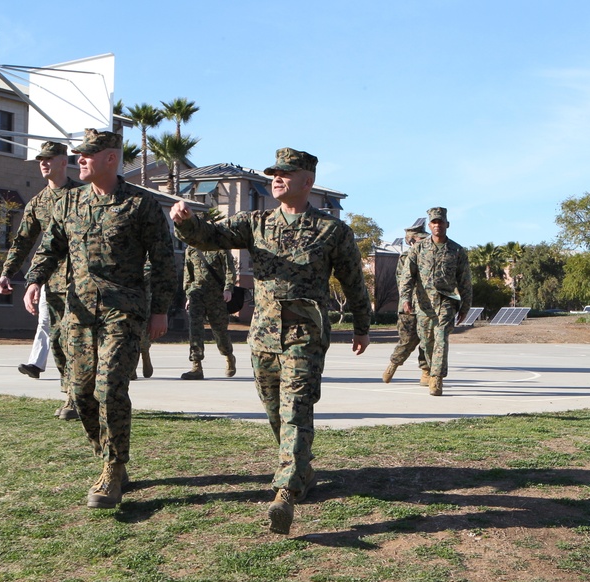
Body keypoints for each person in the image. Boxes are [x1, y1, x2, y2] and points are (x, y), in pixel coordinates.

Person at [171, 147, 371, 535]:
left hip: (304, 335)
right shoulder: (255, 221)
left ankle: (285, 494)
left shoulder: (332, 231)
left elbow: (352, 281)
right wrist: (186, 223)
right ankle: (302, 469)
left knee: (296, 408)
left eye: (286, 173)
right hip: (262, 336)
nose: (276, 178)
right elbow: (212, 237)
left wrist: (362, 326)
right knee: (275, 412)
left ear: (307, 182)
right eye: (274, 173)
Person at [24, 128, 175, 509]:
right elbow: (51, 245)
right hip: (77, 312)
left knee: (109, 389)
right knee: (80, 393)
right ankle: (106, 455)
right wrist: (34, 281)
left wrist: (160, 311)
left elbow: (163, 263)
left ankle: (112, 469)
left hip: (122, 312)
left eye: (88, 155)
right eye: (79, 155)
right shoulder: (70, 202)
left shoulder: (140, 205)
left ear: (111, 158)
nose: (80, 161)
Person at [0, 140, 79, 419]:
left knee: (81, 339)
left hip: (86, 280)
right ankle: (72, 398)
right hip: (52, 279)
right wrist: (8, 272)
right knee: (57, 338)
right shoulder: (38, 202)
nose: (43, 163)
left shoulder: (84, 194)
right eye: (40, 159)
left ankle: (89, 394)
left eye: (48, 158)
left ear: (62, 161)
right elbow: (22, 242)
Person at [399, 207, 472, 396]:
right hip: (423, 303)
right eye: (434, 222)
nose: (437, 225)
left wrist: (465, 306)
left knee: (441, 339)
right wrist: (405, 299)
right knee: (426, 341)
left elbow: (465, 281)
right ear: (430, 226)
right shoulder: (418, 249)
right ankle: (430, 371)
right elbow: (407, 276)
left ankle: (437, 378)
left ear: (447, 224)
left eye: (440, 222)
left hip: (446, 302)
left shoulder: (457, 251)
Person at [382, 217, 430, 384]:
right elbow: (403, 283)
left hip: (428, 306)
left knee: (428, 340)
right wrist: (406, 301)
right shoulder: (406, 257)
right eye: (419, 239)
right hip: (409, 306)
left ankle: (426, 371)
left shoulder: (431, 256)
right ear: (411, 241)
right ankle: (394, 364)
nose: (423, 242)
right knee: (407, 340)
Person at [180, 245, 238, 380]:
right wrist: (189, 294)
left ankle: (228, 355)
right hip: (196, 294)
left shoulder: (220, 248)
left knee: (219, 330)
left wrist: (228, 289)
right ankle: (196, 366)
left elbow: (230, 270)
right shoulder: (191, 249)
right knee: (195, 329)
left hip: (216, 295)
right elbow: (188, 274)